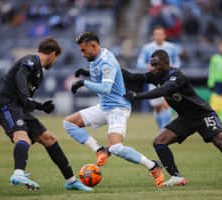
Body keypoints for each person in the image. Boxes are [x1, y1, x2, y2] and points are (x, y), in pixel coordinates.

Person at [123, 49, 222, 186]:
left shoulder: (177, 76)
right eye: (151, 65)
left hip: (203, 114)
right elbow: (132, 77)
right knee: (159, 142)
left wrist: (137, 96)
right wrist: (113, 67)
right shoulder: (155, 75)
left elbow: (164, 90)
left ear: (166, 63)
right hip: (186, 118)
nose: (153, 68)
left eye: (156, 65)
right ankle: (176, 177)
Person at [62, 32, 165, 187]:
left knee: (116, 148)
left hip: (118, 108)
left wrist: (84, 83)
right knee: (68, 123)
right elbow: (100, 75)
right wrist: (87, 74)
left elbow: (105, 87)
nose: (82, 54)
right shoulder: (95, 58)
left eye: (84, 50)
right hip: (104, 107)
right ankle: (99, 150)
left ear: (94, 46)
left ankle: (153, 166)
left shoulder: (107, 60)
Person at [0, 37, 92, 191]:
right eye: (56, 58)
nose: (55, 62)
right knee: (22, 137)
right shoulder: (31, 60)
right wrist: (26, 97)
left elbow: (26, 100)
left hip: (19, 108)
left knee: (49, 138)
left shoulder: (39, 73)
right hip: (6, 105)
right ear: (52, 54)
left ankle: (71, 181)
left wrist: (41, 106)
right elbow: (21, 76)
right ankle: (18, 174)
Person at [137, 25, 181, 130]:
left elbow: (178, 61)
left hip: (167, 79)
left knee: (166, 104)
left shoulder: (171, 47)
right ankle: (161, 129)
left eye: (160, 34)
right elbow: (139, 63)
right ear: (153, 36)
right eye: (156, 34)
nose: (158, 36)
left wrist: (174, 67)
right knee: (157, 107)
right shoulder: (147, 48)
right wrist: (147, 66)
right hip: (154, 81)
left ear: (165, 35)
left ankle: (164, 130)